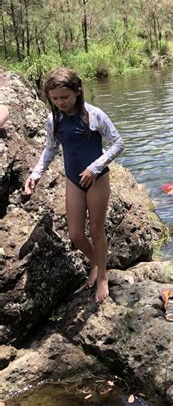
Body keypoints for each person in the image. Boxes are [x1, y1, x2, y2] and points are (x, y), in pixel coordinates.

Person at [24, 67, 124, 303]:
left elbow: (117, 143)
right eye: (55, 99)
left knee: (96, 231)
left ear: (78, 92)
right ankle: (96, 263)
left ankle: (102, 277)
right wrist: (36, 174)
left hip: (97, 179)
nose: (60, 102)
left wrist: (95, 167)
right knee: (76, 235)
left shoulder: (95, 115)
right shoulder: (54, 119)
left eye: (64, 98)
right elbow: (51, 148)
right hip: (73, 180)